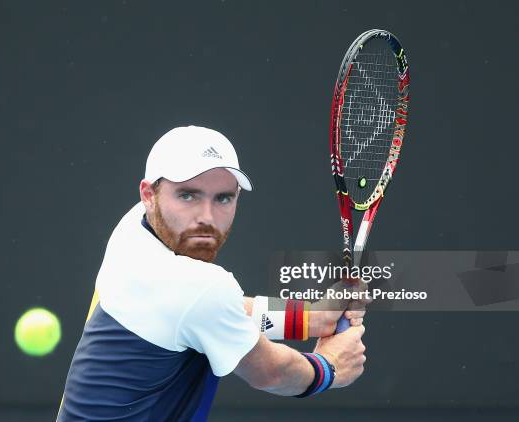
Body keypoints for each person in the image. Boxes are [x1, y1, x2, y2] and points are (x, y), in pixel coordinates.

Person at [57, 125, 367, 421]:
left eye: (223, 198)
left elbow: (212, 312)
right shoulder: (199, 289)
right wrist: (331, 366)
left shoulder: (132, 232)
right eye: (188, 195)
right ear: (149, 194)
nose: (206, 217)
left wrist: (309, 318)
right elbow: (271, 372)